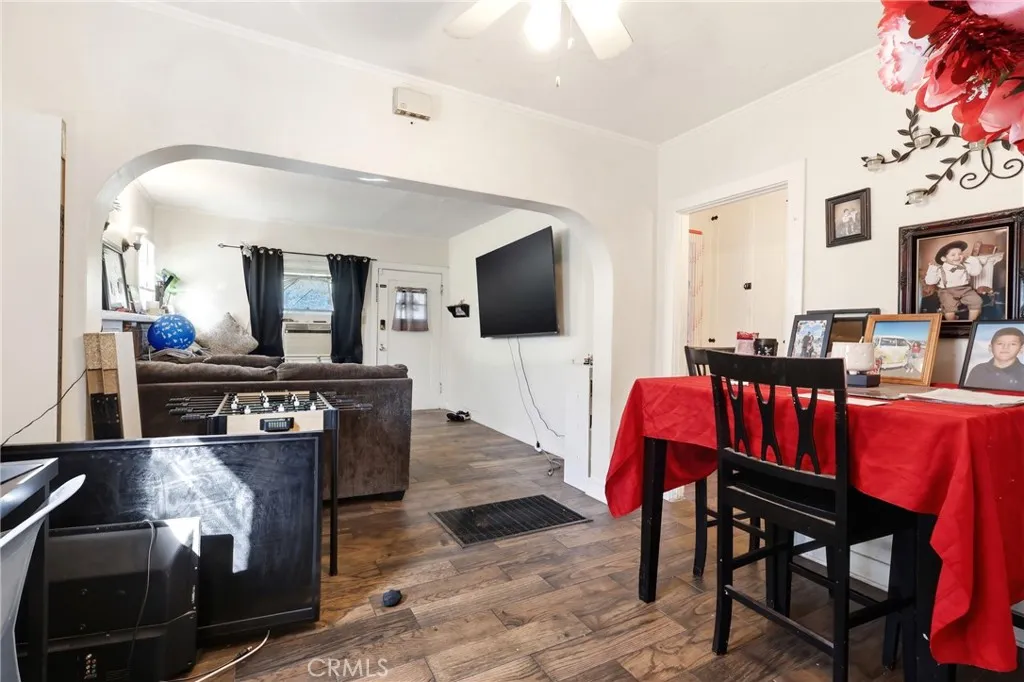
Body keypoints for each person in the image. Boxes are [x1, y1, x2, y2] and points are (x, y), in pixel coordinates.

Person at [923, 240, 984, 321]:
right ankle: (952, 322)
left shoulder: (965, 266)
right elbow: (930, 281)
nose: (957, 257)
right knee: (949, 308)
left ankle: (971, 323)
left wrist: (971, 259)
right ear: (944, 258)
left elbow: (976, 272)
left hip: (965, 290)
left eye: (960, 254)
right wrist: (932, 268)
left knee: (976, 301)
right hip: (947, 291)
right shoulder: (940, 269)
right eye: (953, 255)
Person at [966, 327, 1024, 391]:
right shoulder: (978, 370)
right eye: (1000, 343)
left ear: (1021, 349)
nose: (1005, 347)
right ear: (990, 347)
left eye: (1013, 344)